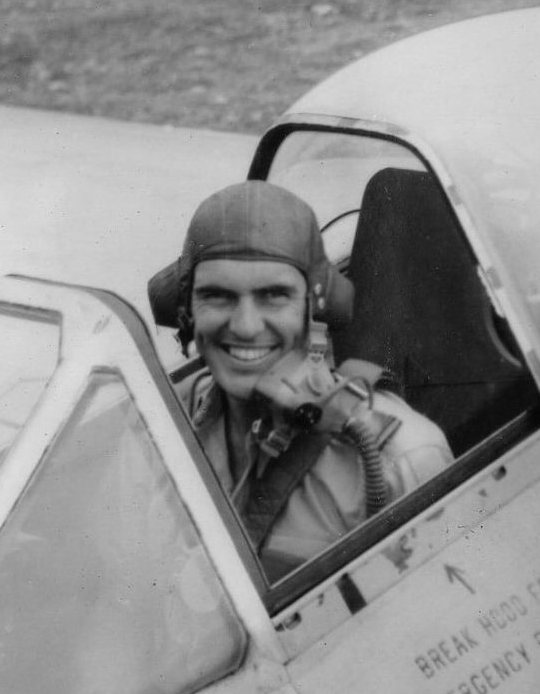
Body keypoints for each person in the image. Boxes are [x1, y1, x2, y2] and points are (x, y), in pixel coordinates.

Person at [149, 181, 453, 576]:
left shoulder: (404, 457)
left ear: (314, 308)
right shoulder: (158, 421)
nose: (245, 326)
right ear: (186, 311)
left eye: (274, 295)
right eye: (217, 296)